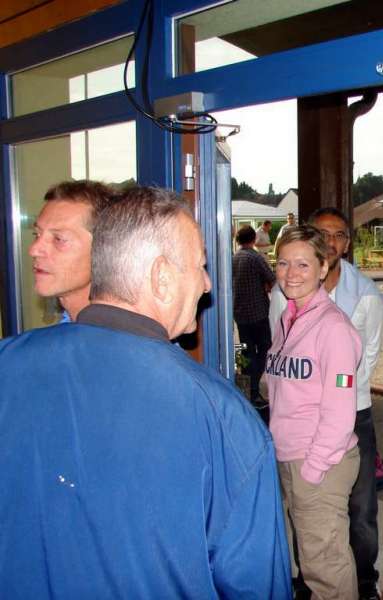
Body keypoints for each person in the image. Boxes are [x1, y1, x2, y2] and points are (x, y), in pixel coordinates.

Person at [0, 186, 291, 597]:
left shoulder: (8, 363)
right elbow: (256, 586)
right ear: (161, 277)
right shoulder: (222, 418)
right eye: (201, 267)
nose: (207, 285)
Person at [270, 208, 383, 600]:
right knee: (306, 557)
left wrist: (314, 469)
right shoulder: (289, 318)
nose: (291, 273)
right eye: (283, 262)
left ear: (323, 268)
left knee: (326, 565)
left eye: (303, 264)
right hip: (289, 455)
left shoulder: (333, 328)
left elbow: (340, 411)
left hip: (318, 459)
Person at [28, 180, 118, 322]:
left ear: (105, 251)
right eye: (36, 235)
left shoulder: (122, 340)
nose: (33, 250)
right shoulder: (68, 328)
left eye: (59, 239)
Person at [233, 224, 276, 410]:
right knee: (265, 348)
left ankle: (244, 391)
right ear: (254, 240)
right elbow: (271, 278)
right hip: (258, 312)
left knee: (243, 351)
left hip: (239, 313)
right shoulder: (255, 257)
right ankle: (253, 387)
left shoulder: (233, 259)